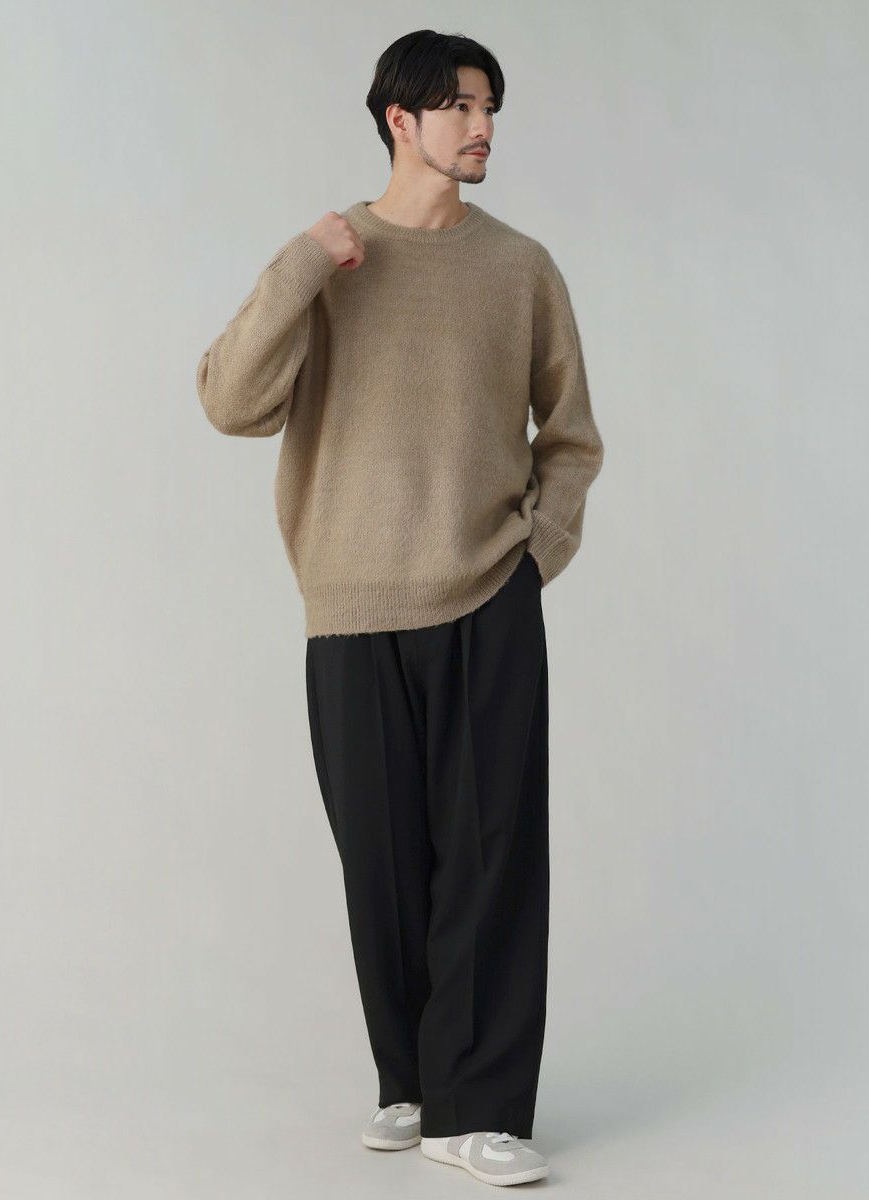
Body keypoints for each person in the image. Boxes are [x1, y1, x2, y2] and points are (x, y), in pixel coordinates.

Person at [196, 28, 604, 1189]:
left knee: (489, 856)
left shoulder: (518, 267)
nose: (482, 127)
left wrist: (532, 555)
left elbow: (570, 436)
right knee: (380, 862)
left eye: (490, 107)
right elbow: (230, 403)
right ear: (399, 119)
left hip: (484, 591)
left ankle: (478, 1109)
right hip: (349, 601)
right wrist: (300, 266)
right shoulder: (331, 259)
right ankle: (414, 1082)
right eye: (461, 106)